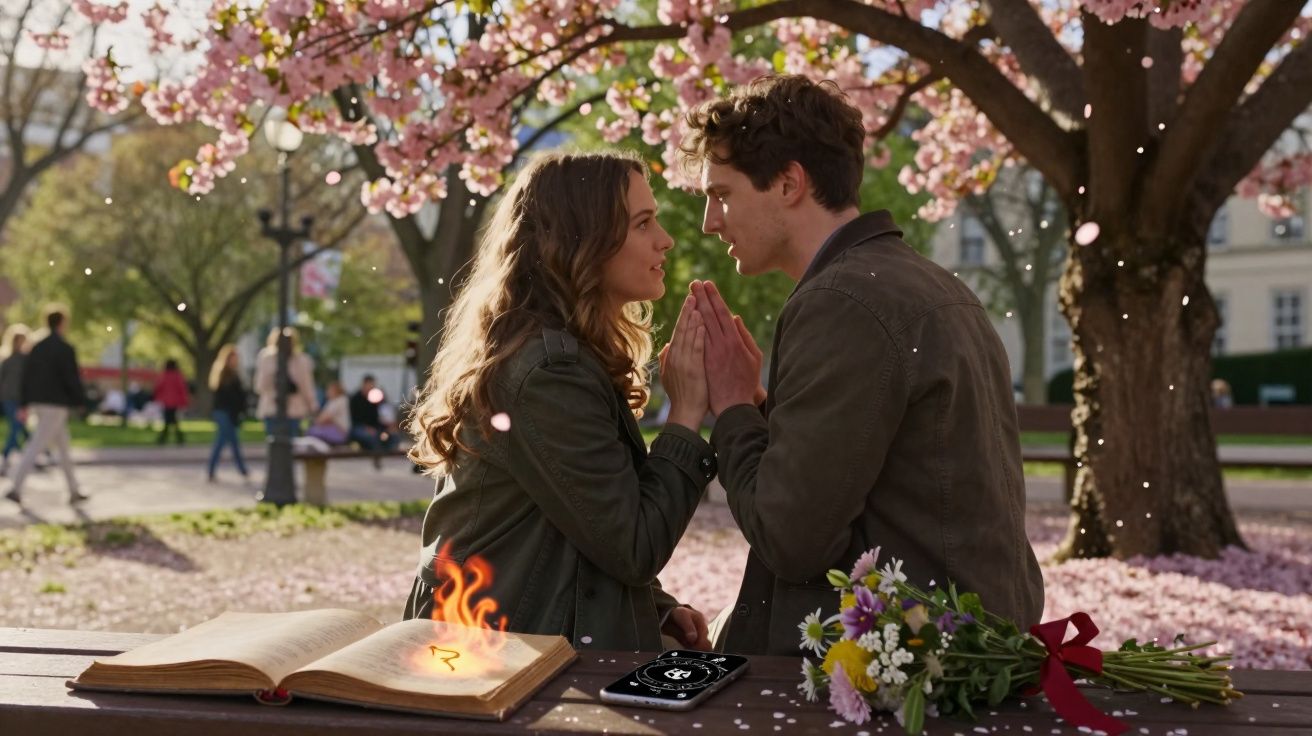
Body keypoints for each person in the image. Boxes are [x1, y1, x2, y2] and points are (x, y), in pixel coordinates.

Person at [670, 75, 1044, 655]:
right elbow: (877, 468)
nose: (709, 223)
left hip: (909, 665)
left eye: (722, 195)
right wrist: (760, 406)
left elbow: (791, 537)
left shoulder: (841, 302)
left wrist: (734, 409)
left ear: (789, 183)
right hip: (961, 642)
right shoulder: (929, 284)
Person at [402, 151, 716, 652]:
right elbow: (632, 545)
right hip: (492, 659)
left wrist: (652, 608)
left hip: (511, 641)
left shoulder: (562, 354)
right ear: (584, 241)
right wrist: (686, 414)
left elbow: (574, 518)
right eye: (642, 223)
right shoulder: (549, 372)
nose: (665, 239)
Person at [4, 307, 88, 506]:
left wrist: (25, 402)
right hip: (55, 404)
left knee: (63, 447)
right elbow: (71, 378)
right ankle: (15, 487)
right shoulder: (64, 348)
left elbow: (26, 378)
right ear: (62, 323)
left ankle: (74, 490)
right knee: (36, 444)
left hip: (38, 402)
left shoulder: (35, 347)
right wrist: (81, 402)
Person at [254, 327, 319, 440]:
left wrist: (313, 407)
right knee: (274, 443)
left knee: (292, 444)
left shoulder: (301, 360)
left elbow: (307, 386)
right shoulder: (267, 358)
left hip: (294, 410)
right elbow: (260, 386)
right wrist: (274, 375)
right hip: (272, 408)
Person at [207, 344, 251, 482]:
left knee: (227, 442)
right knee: (228, 442)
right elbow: (231, 396)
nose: (236, 360)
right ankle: (242, 470)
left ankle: (215, 470)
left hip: (228, 412)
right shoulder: (225, 373)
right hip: (224, 412)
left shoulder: (234, 373)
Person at [0, 324, 31, 476]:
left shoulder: (27, 360)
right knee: (16, 427)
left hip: (22, 400)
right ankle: (5, 456)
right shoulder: (7, 360)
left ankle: (37, 452)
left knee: (22, 428)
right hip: (9, 398)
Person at [348, 375, 398, 452]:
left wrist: (388, 426)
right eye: (370, 384)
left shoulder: (375, 398)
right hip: (359, 427)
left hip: (375, 428)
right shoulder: (355, 398)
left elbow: (381, 416)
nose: (371, 387)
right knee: (372, 437)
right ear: (364, 384)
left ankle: (388, 452)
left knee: (393, 436)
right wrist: (367, 428)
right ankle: (377, 455)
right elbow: (355, 419)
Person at [153, 359, 191, 445]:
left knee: (169, 420)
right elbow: (182, 389)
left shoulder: (163, 376)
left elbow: (158, 388)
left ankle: (163, 439)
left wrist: (157, 398)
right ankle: (178, 438)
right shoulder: (178, 376)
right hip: (175, 402)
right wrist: (185, 401)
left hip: (166, 402)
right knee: (172, 420)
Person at [307, 381, 350, 446]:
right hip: (337, 430)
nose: (327, 392)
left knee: (312, 431)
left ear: (335, 390)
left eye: (329, 389)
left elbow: (325, 417)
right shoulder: (334, 401)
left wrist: (315, 421)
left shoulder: (339, 400)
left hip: (339, 431)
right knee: (312, 431)